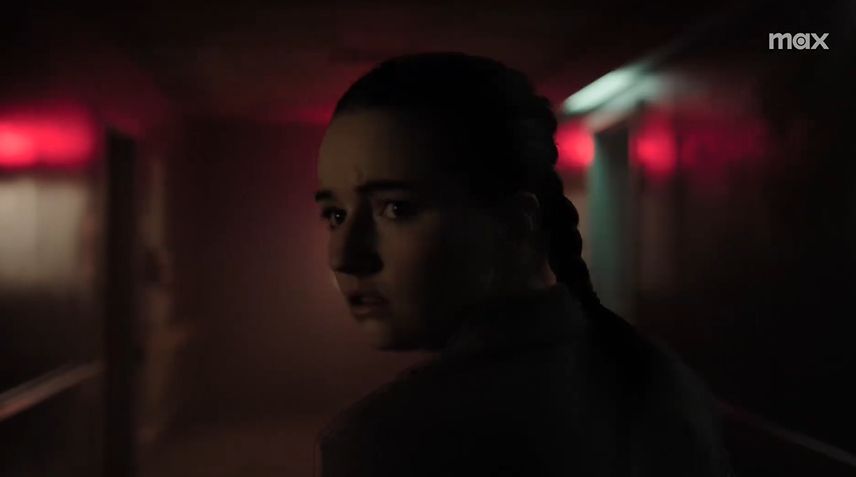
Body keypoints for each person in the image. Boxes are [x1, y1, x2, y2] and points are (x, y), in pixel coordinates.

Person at [312, 52, 732, 476]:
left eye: (397, 208)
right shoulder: (660, 376)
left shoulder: (391, 443)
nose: (343, 256)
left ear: (514, 222)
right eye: (336, 214)